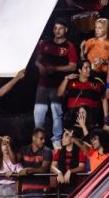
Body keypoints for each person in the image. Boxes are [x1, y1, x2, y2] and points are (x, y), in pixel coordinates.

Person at [34, 19, 77, 147]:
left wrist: (56, 69)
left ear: (66, 30)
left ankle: (57, 141)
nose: (58, 31)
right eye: (56, 28)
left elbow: (73, 66)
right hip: (43, 83)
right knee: (38, 112)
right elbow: (37, 60)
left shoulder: (69, 46)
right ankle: (38, 138)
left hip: (58, 85)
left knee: (56, 112)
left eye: (61, 28)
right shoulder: (45, 43)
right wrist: (39, 66)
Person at [18, 128, 53, 196]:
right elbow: (14, 161)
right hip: (25, 189)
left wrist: (29, 169)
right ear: (33, 138)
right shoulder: (23, 149)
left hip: (41, 189)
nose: (44, 141)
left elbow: (43, 169)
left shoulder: (47, 151)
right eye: (41, 138)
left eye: (44, 139)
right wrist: (8, 146)